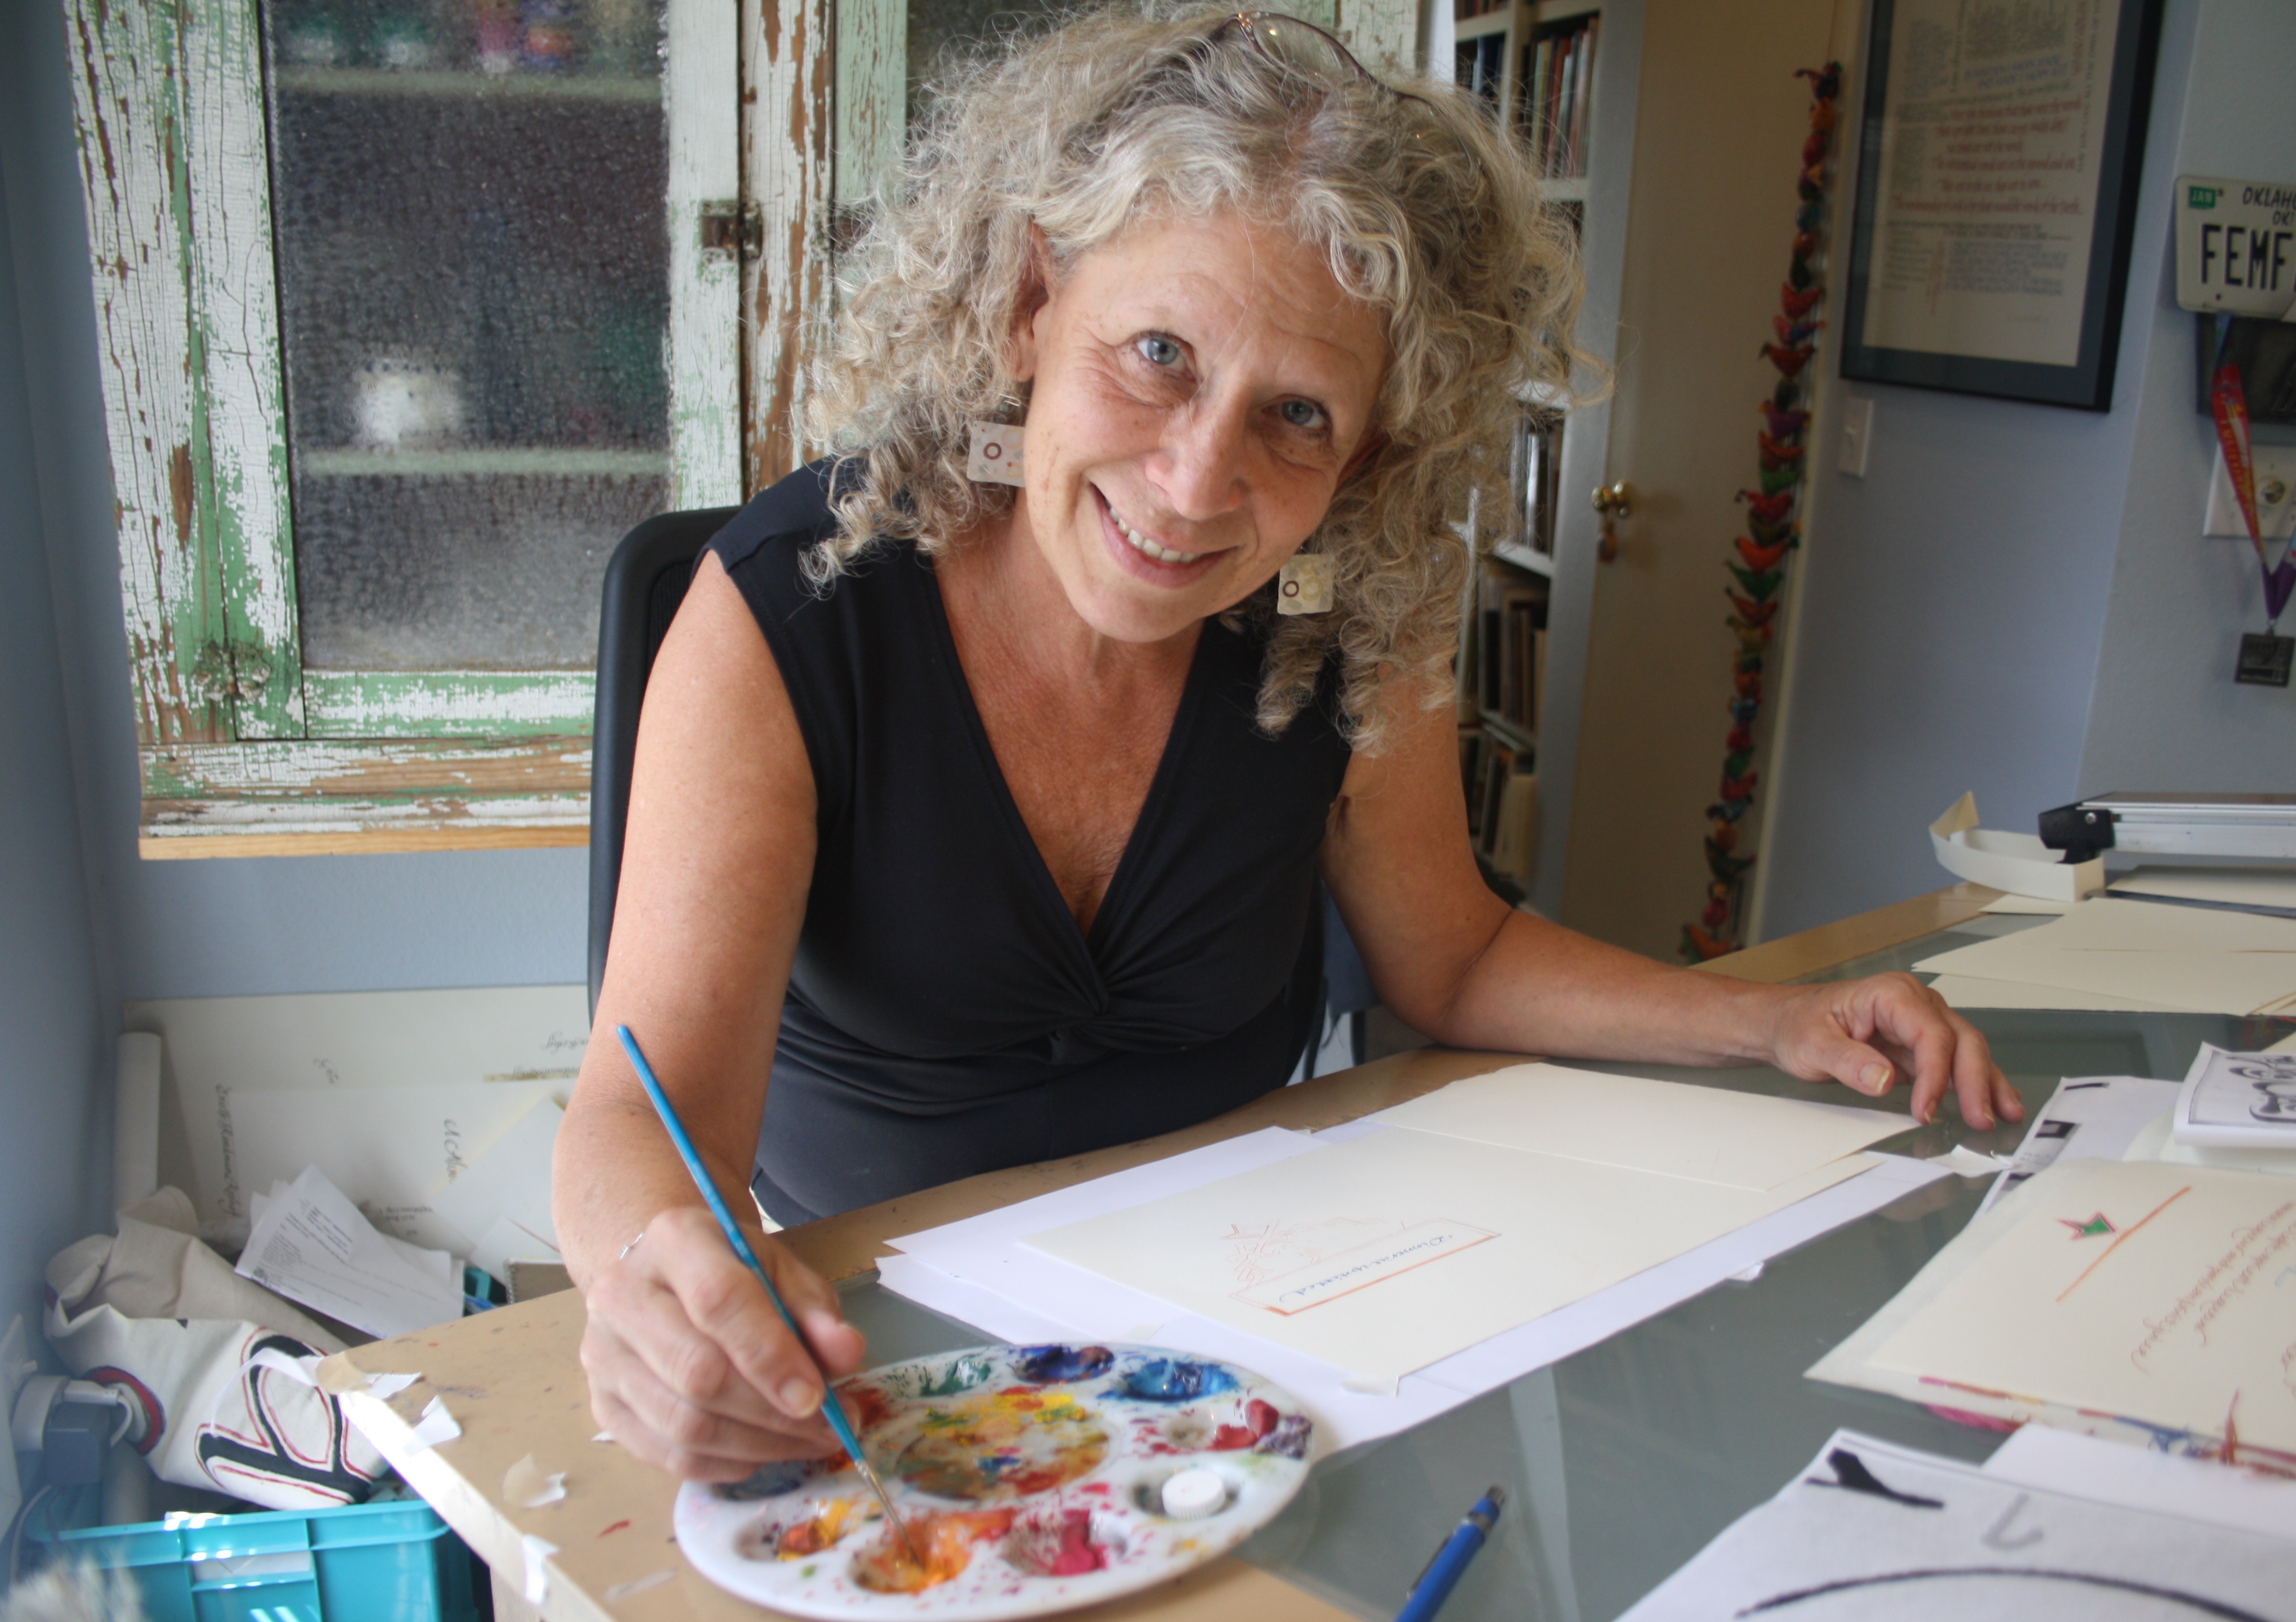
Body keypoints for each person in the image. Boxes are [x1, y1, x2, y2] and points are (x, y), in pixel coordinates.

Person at [551, 5, 2017, 1482]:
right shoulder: (791, 612)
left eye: (1298, 413)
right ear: (1031, 303)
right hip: (872, 1354)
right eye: (1158, 354)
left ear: (1371, 443)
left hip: (1248, 1332)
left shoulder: (1351, 609)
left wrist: (1768, 1021)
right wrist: (655, 1279)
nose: (1197, 484)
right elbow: (641, 1110)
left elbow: (1456, 959)